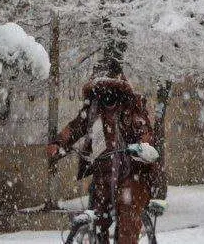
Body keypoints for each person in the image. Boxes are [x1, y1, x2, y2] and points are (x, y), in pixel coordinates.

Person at [47, 59, 162, 244]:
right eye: (100, 86)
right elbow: (75, 127)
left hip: (130, 173)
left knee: (127, 216)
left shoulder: (132, 106)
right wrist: (58, 144)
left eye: (109, 86)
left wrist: (142, 145)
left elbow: (144, 130)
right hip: (103, 173)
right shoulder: (93, 108)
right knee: (96, 219)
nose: (105, 92)